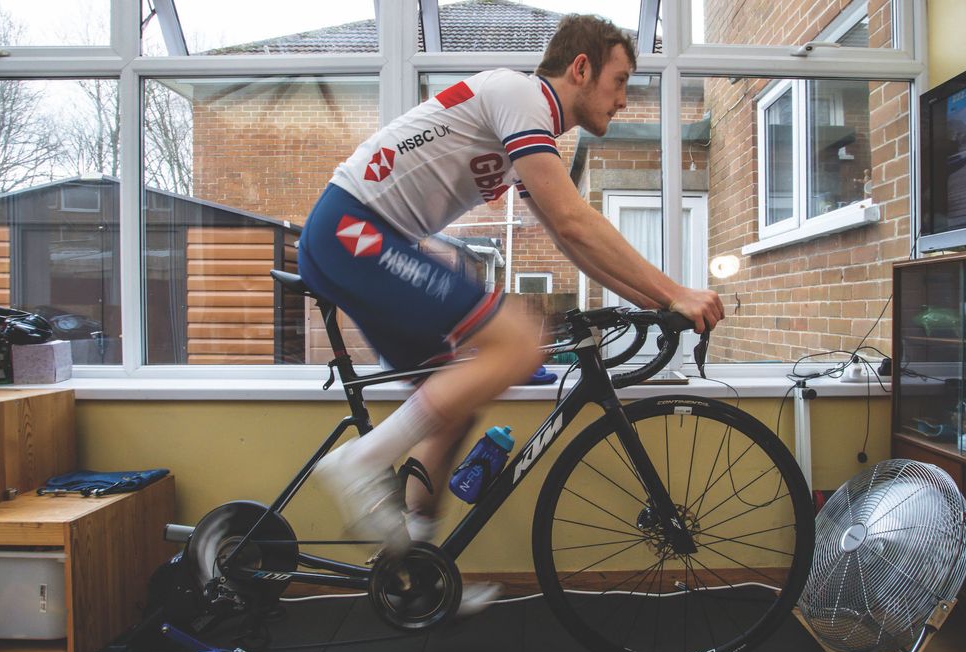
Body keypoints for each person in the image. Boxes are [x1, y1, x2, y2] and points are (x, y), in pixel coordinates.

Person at [298, 14, 724, 610]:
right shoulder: (521, 95)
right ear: (581, 68)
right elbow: (578, 219)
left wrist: (655, 302)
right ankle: (362, 462)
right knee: (517, 344)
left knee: (453, 408)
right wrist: (675, 290)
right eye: (620, 80)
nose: (625, 99)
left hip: (360, 237)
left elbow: (566, 237)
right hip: (353, 231)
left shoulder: (529, 124)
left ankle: (415, 575)